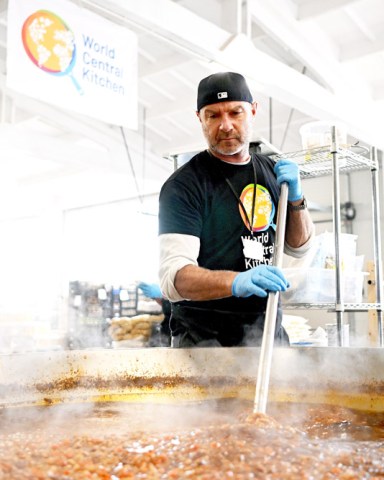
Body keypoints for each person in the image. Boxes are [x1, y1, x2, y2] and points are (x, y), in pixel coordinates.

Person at [158, 72, 314, 348]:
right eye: (213, 115)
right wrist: (235, 281)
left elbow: (297, 247)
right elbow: (174, 277)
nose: (226, 125)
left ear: (253, 111)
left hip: (267, 335)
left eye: (235, 112)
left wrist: (296, 202)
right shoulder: (184, 186)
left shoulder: (272, 171)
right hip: (204, 343)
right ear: (200, 119)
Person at [137, 282, 171, 346]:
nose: (156, 301)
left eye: (154, 299)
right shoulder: (168, 303)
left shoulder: (168, 305)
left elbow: (169, 323)